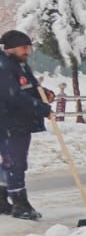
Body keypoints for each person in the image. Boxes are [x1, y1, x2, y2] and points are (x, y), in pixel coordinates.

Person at [0, 31, 55, 221]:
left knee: (8, 162)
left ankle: (1, 200)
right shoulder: (4, 67)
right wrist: (41, 108)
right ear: (11, 48)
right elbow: (13, 96)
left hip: (14, 121)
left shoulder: (19, 64)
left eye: (28, 47)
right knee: (15, 162)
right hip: (10, 121)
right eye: (24, 48)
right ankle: (20, 204)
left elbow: (28, 87)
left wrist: (44, 94)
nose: (28, 52)